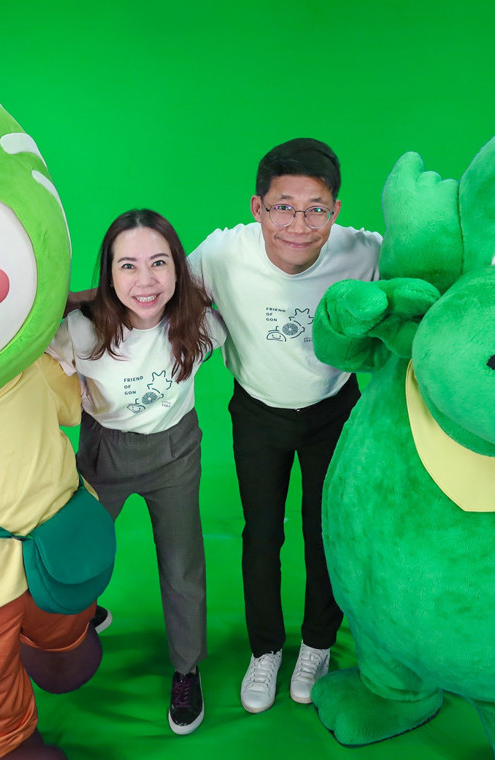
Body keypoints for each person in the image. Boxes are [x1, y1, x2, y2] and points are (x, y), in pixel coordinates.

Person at [187, 138, 381, 714]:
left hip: (333, 409)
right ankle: (265, 649)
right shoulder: (222, 254)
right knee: (262, 533)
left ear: (336, 210)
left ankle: (317, 645)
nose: (299, 225)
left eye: (315, 209)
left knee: (326, 531)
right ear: (257, 207)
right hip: (258, 411)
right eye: (283, 208)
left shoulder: (364, 252)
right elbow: (152, 291)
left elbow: (428, 281)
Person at [49, 209, 225, 735]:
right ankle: (81, 615)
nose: (145, 280)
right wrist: (74, 301)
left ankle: (186, 667)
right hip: (105, 450)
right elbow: (25, 343)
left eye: (158, 263)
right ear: (108, 274)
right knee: (75, 548)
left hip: (176, 453)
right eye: (127, 266)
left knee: (182, 564)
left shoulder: (202, 323)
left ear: (178, 269)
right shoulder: (80, 332)